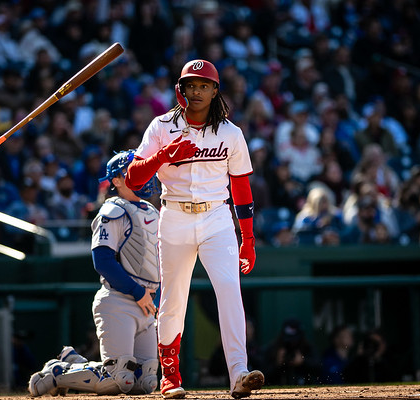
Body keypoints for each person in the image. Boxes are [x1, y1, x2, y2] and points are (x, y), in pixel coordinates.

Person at [124, 59, 264, 399]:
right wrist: (163, 156)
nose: (196, 91)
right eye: (190, 85)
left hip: (217, 217)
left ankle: (238, 374)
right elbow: (132, 177)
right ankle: (170, 376)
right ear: (180, 90)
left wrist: (248, 238)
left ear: (215, 90)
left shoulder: (231, 133)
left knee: (230, 289)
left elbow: (242, 189)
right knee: (173, 298)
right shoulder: (160, 127)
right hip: (174, 217)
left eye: (203, 85)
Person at [28, 150, 161, 396]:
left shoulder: (152, 211)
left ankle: (75, 364)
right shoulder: (113, 210)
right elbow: (102, 261)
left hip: (146, 304)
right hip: (119, 300)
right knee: (119, 378)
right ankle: (58, 374)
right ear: (117, 181)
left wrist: (156, 297)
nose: (142, 174)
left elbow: (156, 263)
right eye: (132, 170)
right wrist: (137, 291)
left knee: (146, 382)